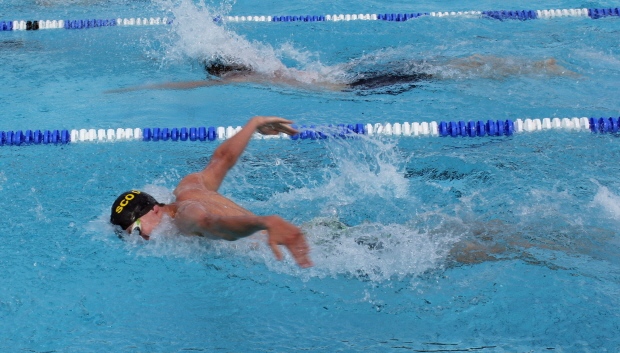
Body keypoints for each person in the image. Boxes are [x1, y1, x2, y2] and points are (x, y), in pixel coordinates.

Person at [110, 116, 313, 268]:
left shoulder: (183, 218)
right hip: (304, 232)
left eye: (136, 231)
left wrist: (265, 222)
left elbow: (210, 223)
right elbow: (222, 159)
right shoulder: (187, 188)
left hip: (292, 248)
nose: (140, 239)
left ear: (155, 210)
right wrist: (254, 124)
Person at [109, 54, 578, 94]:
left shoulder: (244, 80)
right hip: (351, 80)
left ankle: (534, 70)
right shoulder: (269, 67)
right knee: (437, 71)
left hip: (355, 91)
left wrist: (137, 88)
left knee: (440, 77)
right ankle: (529, 66)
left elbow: (188, 84)